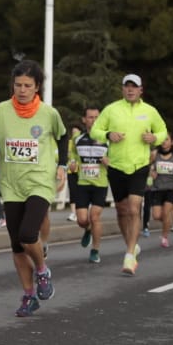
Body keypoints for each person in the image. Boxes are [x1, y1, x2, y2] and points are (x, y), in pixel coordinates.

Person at [0, 60, 68, 317]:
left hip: (40, 179)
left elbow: (62, 136)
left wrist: (62, 165)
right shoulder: (1, 111)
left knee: (28, 233)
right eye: (18, 84)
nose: (22, 90)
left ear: (37, 87)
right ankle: (29, 295)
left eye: (27, 85)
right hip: (12, 183)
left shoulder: (48, 113)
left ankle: (42, 270)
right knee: (17, 245)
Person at [91, 74, 167, 276]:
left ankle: (129, 254)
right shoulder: (112, 109)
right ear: (122, 89)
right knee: (122, 210)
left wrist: (154, 138)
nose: (130, 90)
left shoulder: (149, 111)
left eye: (134, 87)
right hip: (116, 165)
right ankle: (131, 246)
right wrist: (108, 135)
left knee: (134, 208)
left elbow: (162, 132)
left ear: (141, 90)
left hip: (139, 165)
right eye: (127, 86)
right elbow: (95, 131)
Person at [70, 105, 109, 263]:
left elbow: (116, 161)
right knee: (82, 220)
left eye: (96, 117)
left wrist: (109, 162)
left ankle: (95, 250)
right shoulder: (77, 139)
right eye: (90, 117)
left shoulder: (107, 140)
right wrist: (72, 163)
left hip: (100, 184)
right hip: (83, 183)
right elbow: (73, 156)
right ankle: (87, 229)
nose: (93, 120)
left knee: (95, 217)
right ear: (84, 120)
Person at [149, 136, 173, 248]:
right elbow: (146, 165)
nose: (164, 142)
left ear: (172, 142)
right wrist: (151, 171)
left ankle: (164, 237)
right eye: (162, 140)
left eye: (167, 139)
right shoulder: (154, 154)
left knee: (166, 213)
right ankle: (168, 223)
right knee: (156, 215)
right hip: (157, 188)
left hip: (171, 188)